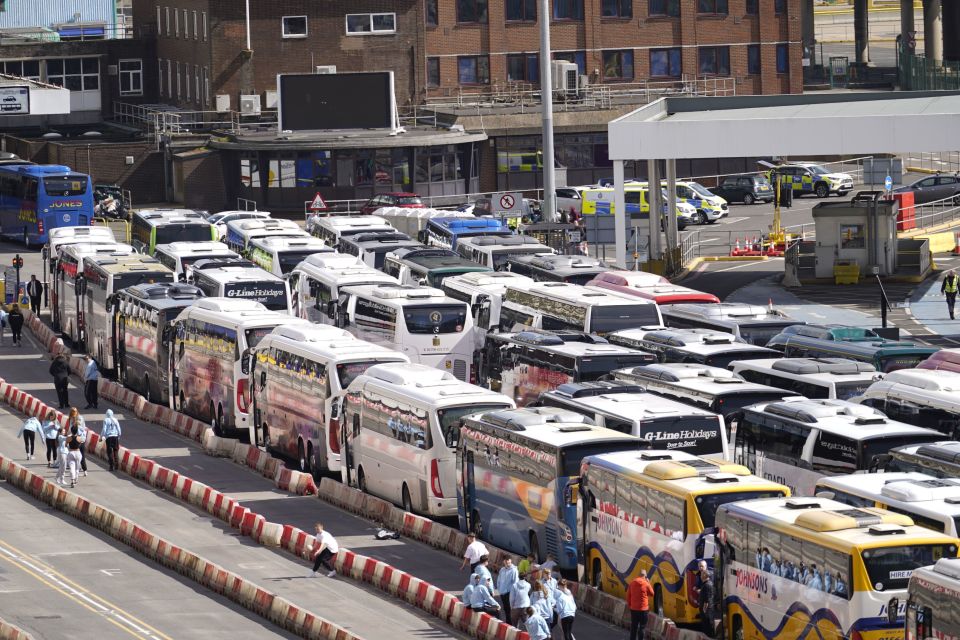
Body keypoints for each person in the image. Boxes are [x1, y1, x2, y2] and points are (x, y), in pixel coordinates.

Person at [627, 568, 655, 640]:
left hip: (634, 609)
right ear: (645, 576)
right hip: (643, 610)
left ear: (639, 575)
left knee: (634, 627)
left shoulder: (632, 583)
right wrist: (648, 583)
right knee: (642, 627)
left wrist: (630, 606)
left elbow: (628, 596)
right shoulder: (646, 584)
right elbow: (652, 594)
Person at [68, 408, 88, 476]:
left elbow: (83, 428)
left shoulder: (80, 418)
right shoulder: (71, 419)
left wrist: (77, 424)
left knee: (82, 454)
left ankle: (84, 469)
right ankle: (77, 469)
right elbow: (70, 429)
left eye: (75, 412)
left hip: (80, 438)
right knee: (74, 454)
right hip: (74, 438)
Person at [698, 564, 716, 636]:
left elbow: (707, 599)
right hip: (707, 611)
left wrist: (704, 610)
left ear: (704, 576)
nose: (700, 576)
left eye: (701, 575)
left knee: (707, 629)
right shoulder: (706, 584)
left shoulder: (707, 585)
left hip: (707, 612)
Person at [65, 423, 84, 488]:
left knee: (72, 467)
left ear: (71, 430)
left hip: (71, 452)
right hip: (78, 452)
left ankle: (72, 480)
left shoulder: (68, 438)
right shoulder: (79, 438)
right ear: (77, 431)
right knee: (77, 468)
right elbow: (82, 443)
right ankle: (76, 479)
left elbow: (65, 445)